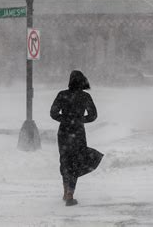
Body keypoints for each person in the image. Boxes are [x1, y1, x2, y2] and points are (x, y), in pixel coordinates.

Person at [50, 70, 103, 206]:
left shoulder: (62, 95)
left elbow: (53, 113)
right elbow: (93, 115)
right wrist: (79, 120)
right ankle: (70, 193)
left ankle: (65, 191)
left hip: (64, 132)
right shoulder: (85, 97)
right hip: (78, 132)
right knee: (76, 161)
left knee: (65, 160)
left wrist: (66, 119)